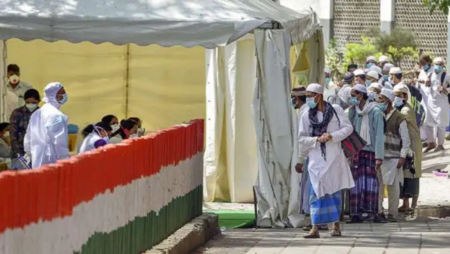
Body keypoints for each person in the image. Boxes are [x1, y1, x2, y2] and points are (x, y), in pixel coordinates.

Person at [296, 83, 355, 238]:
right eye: (306, 96)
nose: (308, 99)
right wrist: (316, 139)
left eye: (310, 95)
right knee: (315, 193)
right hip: (316, 159)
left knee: (334, 191)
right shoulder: (306, 114)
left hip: (334, 157)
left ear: (319, 95)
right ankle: (315, 228)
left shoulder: (336, 110)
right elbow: (301, 138)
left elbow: (348, 128)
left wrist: (332, 136)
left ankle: (336, 227)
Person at [347, 84, 385, 223]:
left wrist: (379, 156)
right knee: (356, 182)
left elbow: (379, 135)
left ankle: (372, 212)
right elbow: (348, 129)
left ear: (360, 95)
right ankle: (355, 213)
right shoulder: (353, 111)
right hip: (357, 151)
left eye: (353, 95)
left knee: (371, 182)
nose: (351, 98)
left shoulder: (375, 111)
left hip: (370, 151)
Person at [377, 88, 410, 222]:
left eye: (381, 100)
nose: (379, 102)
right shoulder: (378, 114)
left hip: (394, 157)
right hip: (380, 156)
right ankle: (379, 212)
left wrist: (402, 156)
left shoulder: (399, 118)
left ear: (388, 102)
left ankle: (392, 213)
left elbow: (406, 140)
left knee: (393, 187)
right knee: (379, 186)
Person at [24, 82, 69, 168]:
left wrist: (32, 155)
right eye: (63, 92)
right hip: (52, 162)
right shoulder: (56, 115)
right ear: (56, 96)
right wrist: (65, 161)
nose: (65, 95)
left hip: (36, 162)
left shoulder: (36, 113)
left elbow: (28, 140)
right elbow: (59, 142)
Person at [393, 84, 423, 214]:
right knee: (406, 174)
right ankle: (406, 203)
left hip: (413, 145)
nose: (396, 98)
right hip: (407, 144)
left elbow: (396, 119)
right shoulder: (401, 108)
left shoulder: (405, 111)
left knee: (413, 173)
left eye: (398, 96)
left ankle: (413, 204)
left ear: (404, 96)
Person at [420, 57, 450, 152]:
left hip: (441, 102)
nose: (438, 66)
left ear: (443, 65)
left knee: (441, 124)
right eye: (436, 64)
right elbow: (428, 85)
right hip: (430, 102)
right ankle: (431, 143)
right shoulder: (430, 74)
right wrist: (425, 82)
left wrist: (445, 89)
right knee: (427, 123)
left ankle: (440, 144)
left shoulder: (446, 76)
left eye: (440, 64)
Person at [9, 89, 41, 159]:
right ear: (25, 101)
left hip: (38, 152)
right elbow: (13, 136)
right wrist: (20, 155)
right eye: (28, 102)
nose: (31, 105)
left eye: (33, 103)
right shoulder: (17, 113)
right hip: (19, 152)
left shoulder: (42, 113)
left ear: (38, 102)